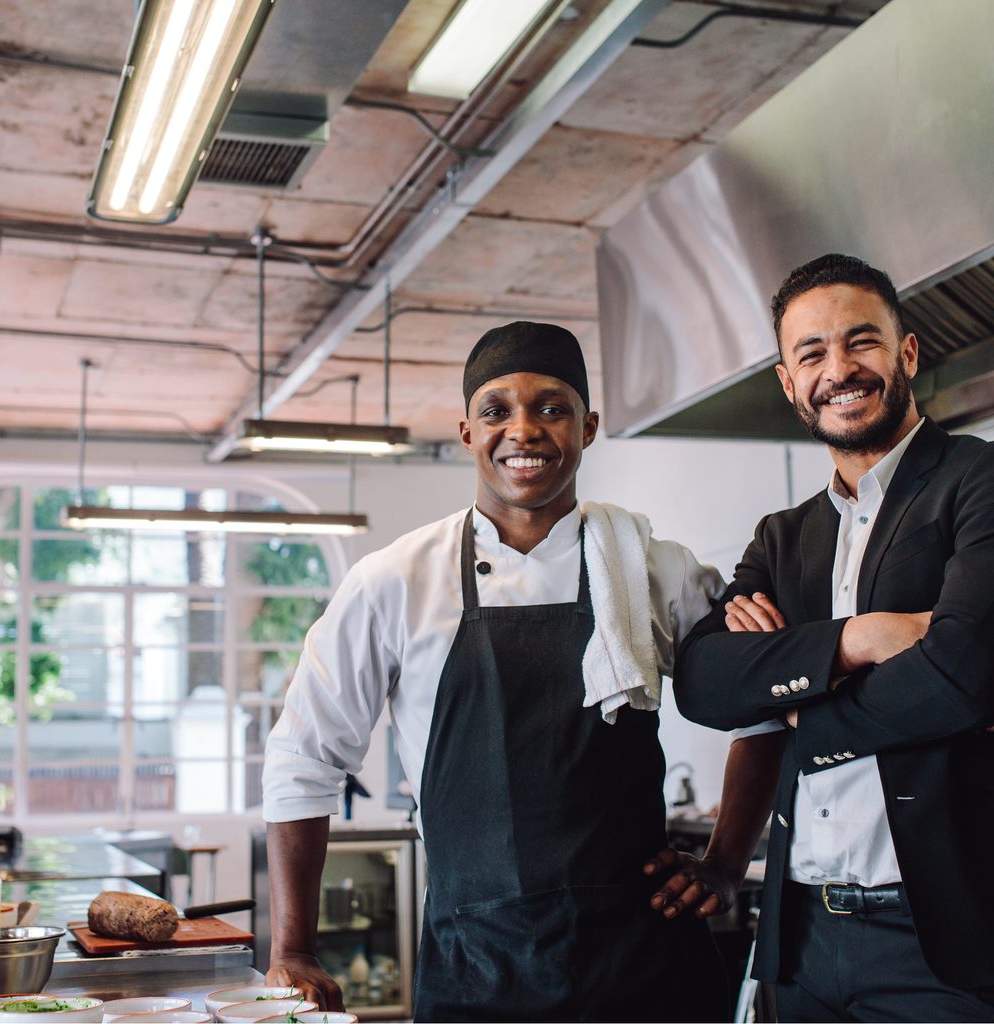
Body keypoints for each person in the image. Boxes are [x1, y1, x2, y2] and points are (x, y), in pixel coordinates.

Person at [262, 321, 743, 1023]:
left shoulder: (652, 567)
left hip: (645, 964)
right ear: (466, 431)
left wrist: (726, 863)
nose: (525, 430)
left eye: (551, 407)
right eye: (497, 410)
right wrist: (294, 948)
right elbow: (302, 757)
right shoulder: (394, 582)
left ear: (588, 426)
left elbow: (761, 705)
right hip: (477, 969)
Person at [672, 254, 994, 1021]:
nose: (839, 370)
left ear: (907, 353)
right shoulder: (783, 540)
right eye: (811, 353)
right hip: (804, 937)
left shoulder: (976, 482)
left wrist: (796, 710)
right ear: (789, 383)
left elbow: (962, 674)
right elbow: (705, 682)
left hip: (944, 944)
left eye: (862, 342)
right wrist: (856, 641)